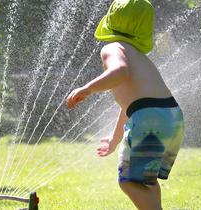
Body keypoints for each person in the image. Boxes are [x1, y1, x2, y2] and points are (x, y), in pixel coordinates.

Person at [66, 0, 184, 209]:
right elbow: (131, 106)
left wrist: (88, 88)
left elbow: (120, 71)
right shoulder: (139, 56)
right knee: (147, 179)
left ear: (111, 18)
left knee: (128, 181)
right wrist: (115, 138)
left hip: (149, 118)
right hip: (171, 115)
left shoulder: (112, 48)